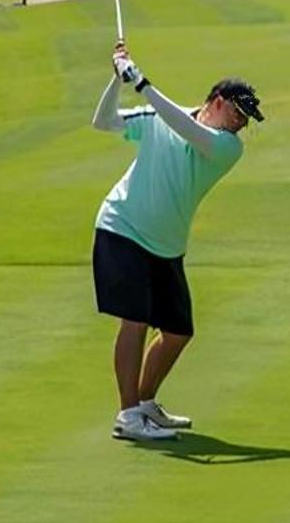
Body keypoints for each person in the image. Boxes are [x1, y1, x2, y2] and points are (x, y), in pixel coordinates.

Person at [92, 39, 262, 441]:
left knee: (177, 332)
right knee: (134, 320)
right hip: (122, 227)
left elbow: (184, 128)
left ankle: (145, 403)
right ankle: (128, 416)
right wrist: (117, 80)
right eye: (239, 113)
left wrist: (143, 83)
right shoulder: (158, 115)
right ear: (218, 101)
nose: (243, 124)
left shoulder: (226, 147)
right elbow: (104, 122)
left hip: (166, 245)